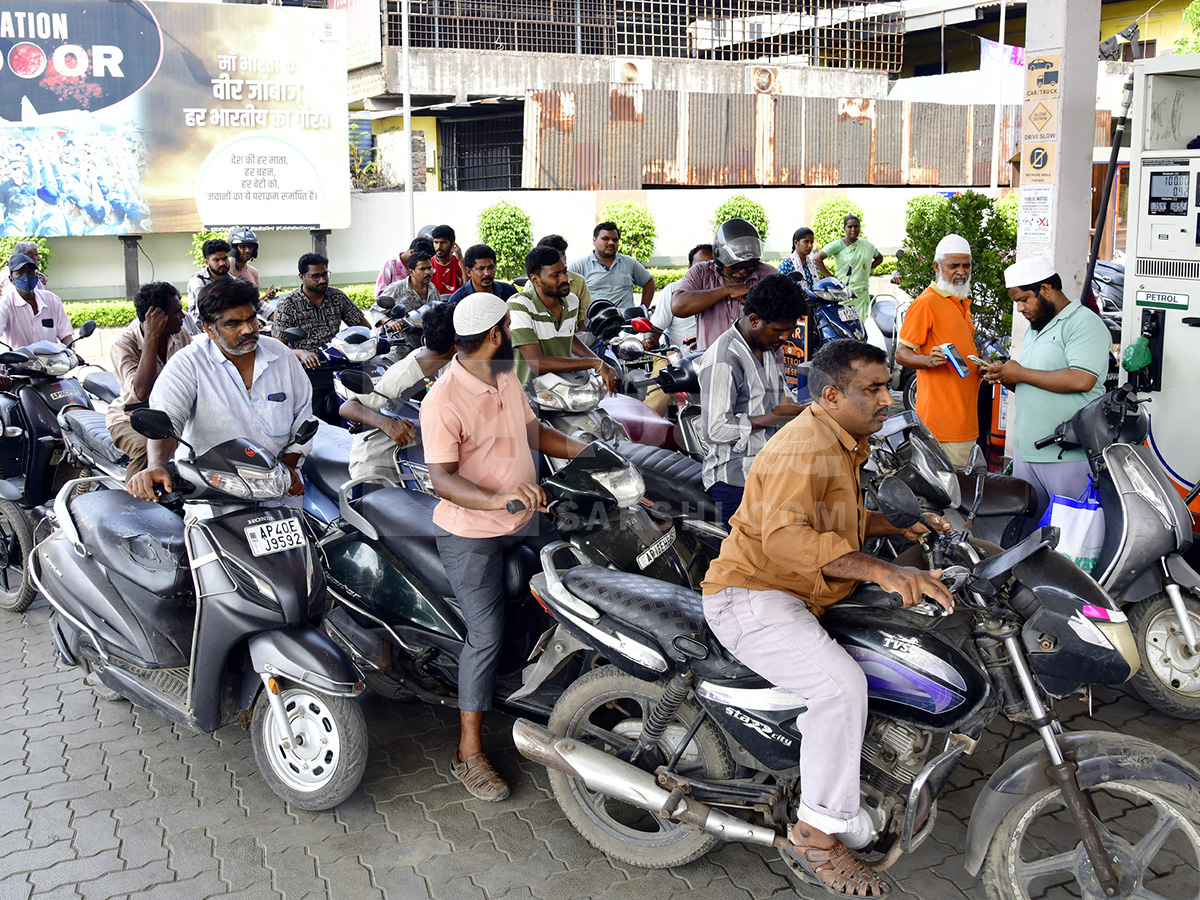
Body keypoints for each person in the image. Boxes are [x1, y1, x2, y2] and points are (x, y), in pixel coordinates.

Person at [702, 339, 953, 898]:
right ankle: (815, 835)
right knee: (841, 688)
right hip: (754, 593)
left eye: (888, 386)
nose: (887, 399)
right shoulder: (804, 448)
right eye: (875, 389)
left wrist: (902, 528)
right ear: (833, 394)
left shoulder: (843, 438)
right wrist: (884, 572)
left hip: (806, 591)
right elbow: (788, 539)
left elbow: (838, 516)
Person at [422, 293, 587, 802]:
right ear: (494, 335)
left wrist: (591, 450)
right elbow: (442, 480)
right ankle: (468, 749)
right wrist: (497, 499)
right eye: (510, 328)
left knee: (581, 588)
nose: (513, 336)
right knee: (486, 632)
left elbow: (533, 432)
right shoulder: (442, 399)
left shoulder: (506, 376)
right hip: (469, 532)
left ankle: (573, 701)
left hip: (524, 517)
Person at [127, 276, 313, 504]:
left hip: (282, 491)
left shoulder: (281, 356)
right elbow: (168, 419)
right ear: (209, 328)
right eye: (233, 324)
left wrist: (286, 471)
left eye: (251, 319)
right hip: (213, 497)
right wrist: (156, 465)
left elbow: (302, 419)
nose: (247, 329)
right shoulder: (188, 363)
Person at [980, 257, 1111, 524]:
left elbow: (1081, 379)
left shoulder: (1083, 322)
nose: (1020, 308)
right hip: (1027, 454)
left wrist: (1020, 372)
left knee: (1069, 543)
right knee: (1027, 538)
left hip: (1066, 456)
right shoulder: (1036, 328)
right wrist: (1005, 376)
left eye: (1024, 299)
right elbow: (1035, 383)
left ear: (1047, 289)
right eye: (1016, 301)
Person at [699, 275, 807, 527]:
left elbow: (781, 396)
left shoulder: (765, 345)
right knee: (746, 560)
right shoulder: (725, 359)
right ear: (754, 319)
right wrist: (775, 416)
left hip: (770, 468)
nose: (785, 338)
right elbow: (715, 430)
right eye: (779, 330)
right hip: (735, 479)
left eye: (790, 330)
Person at [341, 301, 456, 482]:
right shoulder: (402, 377)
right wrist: (387, 424)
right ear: (455, 345)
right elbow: (348, 407)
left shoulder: (445, 364)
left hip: (411, 462)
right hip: (376, 468)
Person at [895, 234, 982, 467]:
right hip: (942, 426)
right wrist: (928, 360)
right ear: (937, 266)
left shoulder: (961, 301)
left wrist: (981, 364)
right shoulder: (926, 303)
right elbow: (901, 354)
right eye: (953, 266)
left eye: (966, 265)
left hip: (966, 421)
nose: (961, 271)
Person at [107, 282, 191, 479]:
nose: (183, 316)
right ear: (156, 318)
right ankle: (136, 506)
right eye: (177, 312)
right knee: (148, 450)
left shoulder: (181, 335)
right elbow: (142, 392)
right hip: (132, 416)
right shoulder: (123, 345)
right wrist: (152, 336)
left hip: (174, 412)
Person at [273, 253, 368, 425]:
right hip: (308, 372)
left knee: (366, 406)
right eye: (315, 276)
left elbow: (364, 328)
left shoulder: (337, 297)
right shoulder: (288, 304)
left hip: (340, 366)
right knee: (313, 420)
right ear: (302, 277)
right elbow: (277, 347)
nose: (322, 280)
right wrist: (301, 353)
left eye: (325, 274)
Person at [508, 245, 617, 391]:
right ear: (535, 280)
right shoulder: (519, 305)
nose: (565, 279)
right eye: (555, 275)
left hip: (563, 390)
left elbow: (568, 336)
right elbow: (537, 363)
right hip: (528, 394)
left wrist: (601, 362)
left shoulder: (571, 301)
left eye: (564, 272)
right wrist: (595, 363)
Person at [671, 219, 777, 352]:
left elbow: (785, 318)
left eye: (749, 266)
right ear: (719, 260)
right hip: (713, 363)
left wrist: (757, 303)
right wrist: (728, 290)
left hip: (760, 362)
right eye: (735, 267)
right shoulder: (701, 272)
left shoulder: (768, 274)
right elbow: (678, 306)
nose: (743, 271)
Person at [568, 222, 655, 309]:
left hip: (625, 320)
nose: (611, 243)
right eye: (605, 239)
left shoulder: (629, 262)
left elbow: (648, 282)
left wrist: (643, 309)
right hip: (593, 320)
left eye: (615, 240)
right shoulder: (578, 265)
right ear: (594, 241)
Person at [813, 215, 882, 323]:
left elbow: (879, 258)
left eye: (856, 226)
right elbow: (817, 258)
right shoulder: (838, 244)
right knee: (845, 325)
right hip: (842, 292)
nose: (853, 229)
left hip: (862, 293)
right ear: (844, 229)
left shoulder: (867, 245)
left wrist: (866, 268)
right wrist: (832, 279)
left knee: (863, 325)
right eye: (850, 227)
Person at [0, 252, 73, 347]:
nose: (26, 277)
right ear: (11, 279)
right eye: (20, 273)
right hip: (18, 361)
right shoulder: (6, 305)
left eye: (30, 272)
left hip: (51, 360)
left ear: (36, 275)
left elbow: (66, 334)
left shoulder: (52, 300)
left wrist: (71, 352)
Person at [649, 243, 712, 350]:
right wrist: (649, 340)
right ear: (690, 267)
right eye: (700, 267)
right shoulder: (672, 289)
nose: (706, 271)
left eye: (711, 266)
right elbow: (656, 327)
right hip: (676, 357)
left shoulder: (726, 292)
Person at [529, 234, 591, 313]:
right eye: (555, 275)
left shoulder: (579, 281)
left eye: (562, 254)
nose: (560, 259)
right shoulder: (531, 285)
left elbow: (584, 313)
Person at [447, 245, 518, 303]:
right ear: (469, 272)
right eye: (481, 269)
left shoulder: (509, 292)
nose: (487, 273)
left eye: (491, 268)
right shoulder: (457, 300)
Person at [229, 227, 279, 304]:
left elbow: (255, 304)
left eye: (250, 247)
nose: (248, 250)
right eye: (243, 246)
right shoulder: (224, 269)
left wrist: (266, 297)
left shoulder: (253, 272)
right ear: (234, 249)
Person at [187, 239, 231, 309]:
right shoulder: (198, 280)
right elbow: (208, 307)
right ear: (207, 262)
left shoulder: (233, 280)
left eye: (225, 258)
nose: (222, 263)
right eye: (216, 260)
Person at [430, 225, 465, 295]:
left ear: (452, 243)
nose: (439, 247)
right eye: (436, 242)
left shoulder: (459, 262)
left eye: (443, 242)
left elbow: (467, 289)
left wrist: (461, 260)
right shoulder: (428, 264)